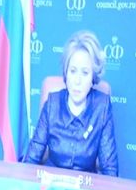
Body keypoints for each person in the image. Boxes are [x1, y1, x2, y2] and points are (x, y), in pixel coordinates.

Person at [23, 31, 119, 176]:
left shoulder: (102, 107)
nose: (77, 81)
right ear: (66, 73)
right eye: (73, 71)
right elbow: (32, 157)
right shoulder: (52, 104)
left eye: (85, 73)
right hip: (52, 186)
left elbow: (110, 169)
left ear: (93, 76)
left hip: (86, 187)